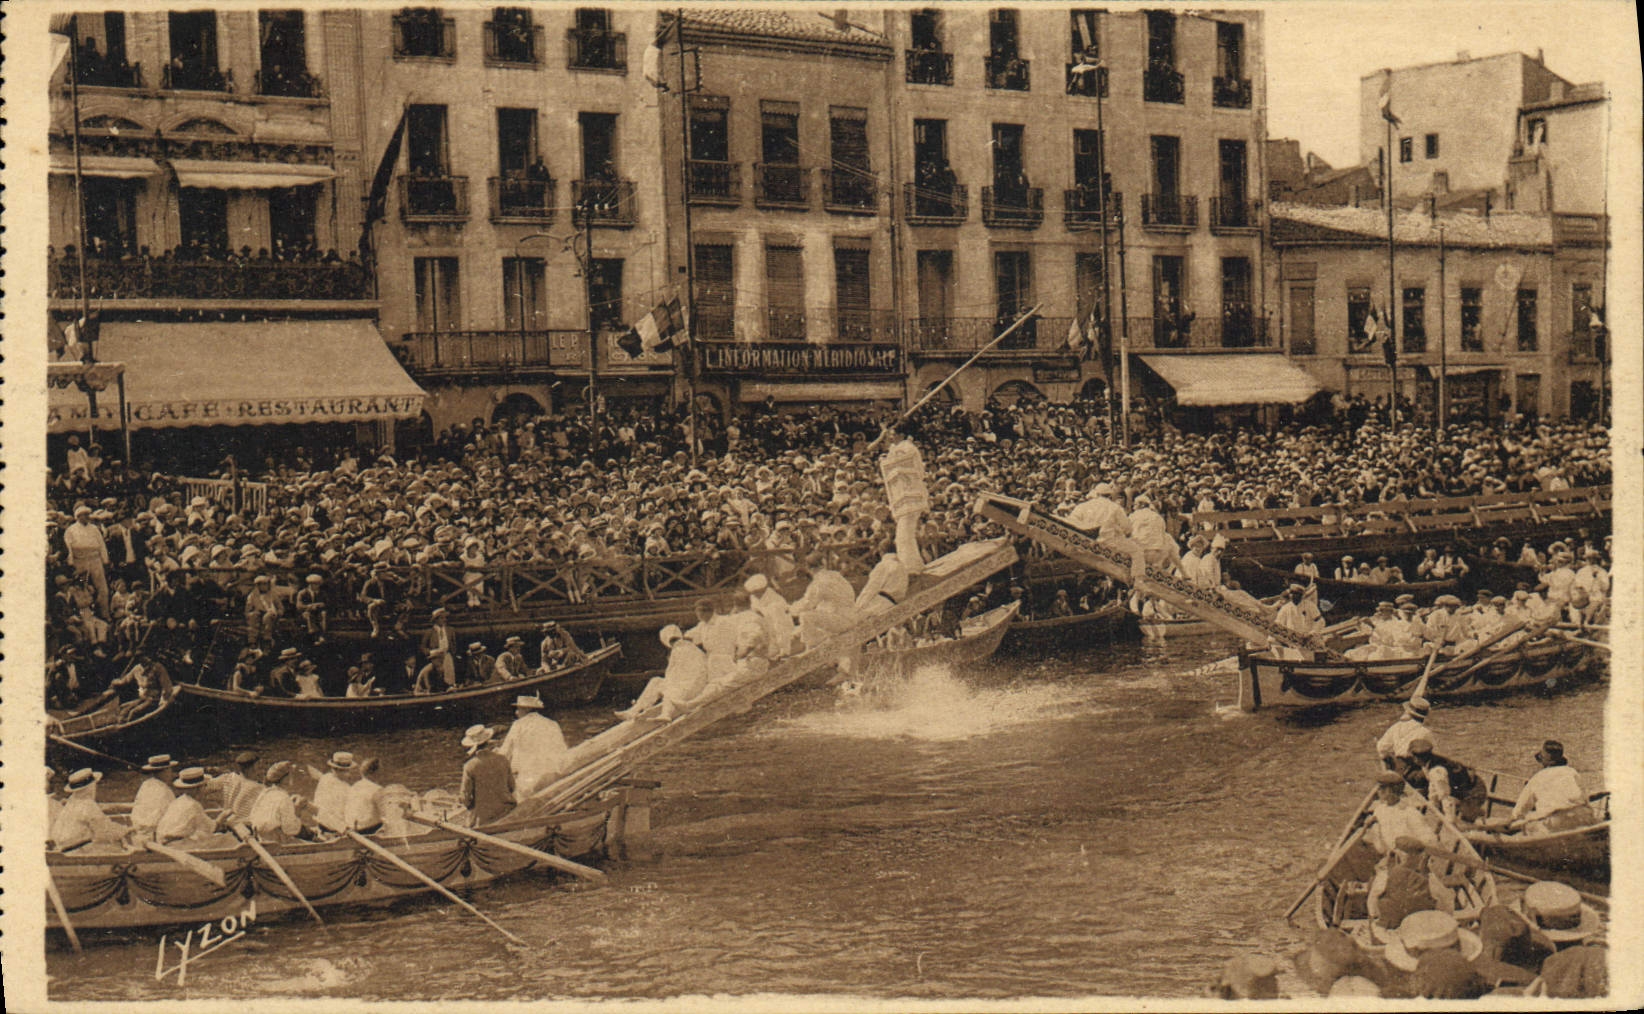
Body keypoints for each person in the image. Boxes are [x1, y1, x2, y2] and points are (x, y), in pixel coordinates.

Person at [616, 624, 708, 720]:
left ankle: (664, 714)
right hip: (695, 686)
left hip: (689, 691)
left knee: (663, 683)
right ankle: (634, 710)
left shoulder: (678, 651)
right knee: (657, 681)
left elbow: (673, 676)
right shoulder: (691, 648)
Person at [1509, 740, 1593, 834]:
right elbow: (1585, 798)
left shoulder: (1537, 777)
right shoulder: (1572, 772)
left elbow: (1519, 811)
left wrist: (1514, 820)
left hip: (1556, 823)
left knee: (1527, 826)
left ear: (1543, 762)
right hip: (1582, 817)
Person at [498, 694, 569, 798]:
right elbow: (563, 752)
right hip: (552, 778)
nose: (516, 712)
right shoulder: (553, 724)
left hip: (529, 781)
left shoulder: (518, 725)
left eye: (518, 709)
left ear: (526, 709)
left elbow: (503, 756)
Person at [1403, 736, 1484, 823]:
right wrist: (1432, 805)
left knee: (1460, 822)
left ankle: (1480, 818)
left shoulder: (1437, 772)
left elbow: (1446, 797)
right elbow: (1433, 789)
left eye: (1412, 757)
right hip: (1463, 787)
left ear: (1417, 759)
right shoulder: (1429, 764)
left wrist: (1449, 821)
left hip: (1474, 792)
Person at [51, 768, 129, 850]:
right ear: (90, 787)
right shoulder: (88, 805)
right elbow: (106, 831)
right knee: (116, 847)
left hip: (63, 845)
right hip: (75, 849)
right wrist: (125, 830)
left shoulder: (72, 801)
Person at [459, 724, 515, 826]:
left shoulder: (470, 766)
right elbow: (512, 787)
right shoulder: (503, 759)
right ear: (488, 741)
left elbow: (465, 798)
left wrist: (471, 806)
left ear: (472, 745)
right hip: (506, 809)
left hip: (483, 816)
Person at [63, 503, 111, 617]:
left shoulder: (94, 529)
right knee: (82, 588)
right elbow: (68, 548)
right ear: (78, 516)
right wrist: (71, 564)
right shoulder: (70, 530)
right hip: (80, 561)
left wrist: (105, 561)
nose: (86, 517)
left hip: (95, 560)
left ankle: (104, 614)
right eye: (83, 515)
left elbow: (102, 546)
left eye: (87, 515)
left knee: (102, 589)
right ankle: (85, 615)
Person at [156, 767, 219, 844]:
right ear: (198, 789)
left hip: (163, 840)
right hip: (176, 845)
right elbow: (212, 828)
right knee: (220, 839)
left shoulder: (178, 801)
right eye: (204, 786)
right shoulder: (193, 805)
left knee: (200, 835)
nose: (206, 789)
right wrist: (223, 817)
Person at [247, 761, 306, 842]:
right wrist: (298, 812)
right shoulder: (284, 798)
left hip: (261, 840)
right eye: (291, 774)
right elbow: (291, 830)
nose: (293, 777)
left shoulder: (264, 794)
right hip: (277, 843)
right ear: (285, 778)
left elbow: (253, 817)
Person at [1376, 697, 1432, 775]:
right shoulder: (1425, 732)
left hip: (1396, 767)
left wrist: (1389, 765)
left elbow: (1381, 748)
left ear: (1408, 712)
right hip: (1413, 770)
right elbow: (1434, 754)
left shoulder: (1396, 726)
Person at [209, 750, 264, 826]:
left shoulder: (228, 778)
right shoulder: (259, 788)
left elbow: (208, 785)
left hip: (225, 821)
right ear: (253, 767)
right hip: (243, 827)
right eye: (259, 767)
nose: (260, 771)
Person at [131, 753, 178, 838]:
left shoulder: (146, 785)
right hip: (155, 835)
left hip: (139, 832)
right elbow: (173, 817)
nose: (171, 773)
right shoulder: (165, 790)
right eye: (170, 770)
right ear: (165, 771)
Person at [309, 751, 357, 833]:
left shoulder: (327, 779)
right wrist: (344, 829)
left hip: (334, 826)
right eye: (347, 771)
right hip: (335, 830)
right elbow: (325, 813)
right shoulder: (331, 784)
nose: (349, 774)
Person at [345, 757, 387, 834]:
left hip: (353, 829)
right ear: (376, 772)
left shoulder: (355, 786)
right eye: (381, 770)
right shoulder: (377, 789)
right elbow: (386, 814)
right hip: (370, 830)